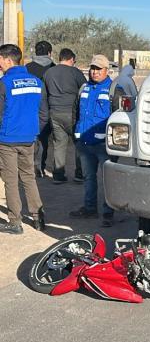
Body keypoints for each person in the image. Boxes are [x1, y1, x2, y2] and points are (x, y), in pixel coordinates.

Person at [0, 44, 48, 234]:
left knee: (11, 180)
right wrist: (34, 130)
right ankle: (38, 216)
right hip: (29, 137)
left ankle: (15, 221)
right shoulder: (36, 82)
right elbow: (44, 113)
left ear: (8, 59)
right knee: (29, 177)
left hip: (7, 139)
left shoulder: (4, 83)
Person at [70, 54, 115, 227]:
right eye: (92, 68)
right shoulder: (84, 88)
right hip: (85, 143)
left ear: (106, 70)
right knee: (89, 178)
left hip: (104, 145)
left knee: (108, 181)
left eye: (98, 69)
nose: (94, 72)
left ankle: (108, 213)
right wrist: (75, 134)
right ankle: (90, 209)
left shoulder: (113, 90)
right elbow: (76, 112)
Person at [43, 48, 86, 183]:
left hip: (54, 112)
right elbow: (84, 90)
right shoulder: (75, 72)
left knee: (59, 144)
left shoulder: (49, 72)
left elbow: (44, 93)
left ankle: (58, 175)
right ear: (71, 59)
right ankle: (79, 174)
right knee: (79, 144)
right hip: (72, 113)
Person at [26, 40, 55, 178]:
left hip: (28, 107)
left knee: (28, 139)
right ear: (50, 53)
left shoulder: (27, 67)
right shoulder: (53, 67)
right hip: (46, 108)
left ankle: (27, 166)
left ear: (35, 52)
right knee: (43, 139)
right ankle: (40, 166)